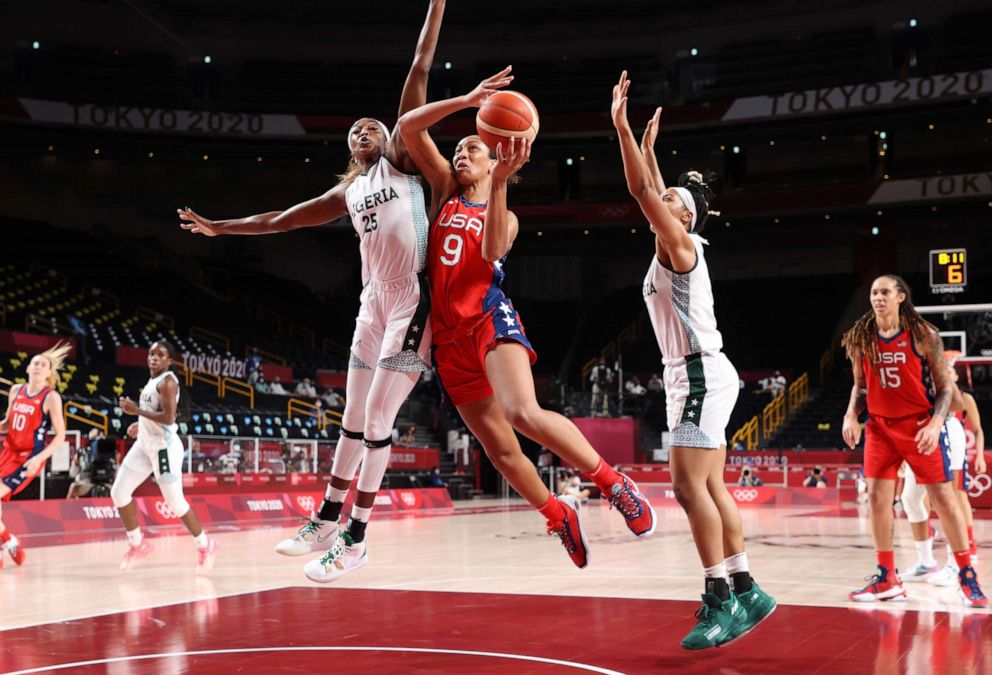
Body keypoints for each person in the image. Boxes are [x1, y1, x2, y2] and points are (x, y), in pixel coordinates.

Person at [180, 1, 447, 582]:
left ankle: (356, 536)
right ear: (349, 149)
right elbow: (280, 219)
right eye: (357, 130)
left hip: (411, 300)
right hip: (371, 302)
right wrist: (221, 226)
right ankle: (327, 517)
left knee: (378, 417)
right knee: (352, 414)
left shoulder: (401, 164)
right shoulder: (347, 195)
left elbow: (418, 70)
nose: (366, 130)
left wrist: (436, 7)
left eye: (373, 125)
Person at [397, 66, 656, 569]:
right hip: (447, 342)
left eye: (474, 147)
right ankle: (558, 513)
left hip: (490, 320)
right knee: (499, 450)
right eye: (461, 146)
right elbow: (409, 127)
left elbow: (493, 246)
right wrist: (468, 100)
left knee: (522, 413)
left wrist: (499, 184)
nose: (462, 151)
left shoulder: (506, 213)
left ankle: (612, 483)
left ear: (497, 160)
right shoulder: (444, 190)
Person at [611, 72, 775, 650]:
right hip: (698, 371)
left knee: (686, 488)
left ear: (684, 219)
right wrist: (653, 151)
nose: (664, 200)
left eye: (673, 202)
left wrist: (622, 130)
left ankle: (719, 599)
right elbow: (657, 191)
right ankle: (748, 587)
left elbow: (642, 193)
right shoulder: (678, 240)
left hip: (699, 372)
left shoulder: (679, 244)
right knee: (712, 488)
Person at [841, 274, 986, 607]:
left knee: (943, 498)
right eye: (874, 292)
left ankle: (966, 575)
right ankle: (886, 576)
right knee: (879, 498)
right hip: (879, 427)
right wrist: (851, 415)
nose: (878, 297)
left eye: (885, 292)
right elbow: (860, 387)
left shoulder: (923, 335)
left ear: (901, 297)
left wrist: (936, 424)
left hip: (919, 426)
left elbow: (945, 388)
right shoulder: (862, 338)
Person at [110, 340, 218, 573]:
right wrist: (140, 424)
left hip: (164, 449)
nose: (154, 358)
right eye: (151, 354)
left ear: (169, 361)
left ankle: (206, 545)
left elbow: (169, 418)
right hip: (144, 445)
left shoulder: (168, 381)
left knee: (175, 503)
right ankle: (137, 545)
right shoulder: (152, 381)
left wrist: (136, 411)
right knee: (118, 493)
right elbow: (156, 414)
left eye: (161, 355)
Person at [0, 342, 69, 568]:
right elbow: (8, 425)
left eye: (43, 364)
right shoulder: (15, 390)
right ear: (28, 368)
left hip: (28, 457)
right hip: (8, 451)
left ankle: (8, 542)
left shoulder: (51, 397)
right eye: (35, 363)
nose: (38, 366)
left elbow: (60, 435)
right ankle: (9, 542)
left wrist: (39, 459)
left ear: (49, 373)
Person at [924, 358, 984, 587]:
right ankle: (936, 545)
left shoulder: (965, 399)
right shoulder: (934, 397)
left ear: (956, 376)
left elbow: (978, 431)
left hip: (957, 449)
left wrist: (978, 455)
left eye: (950, 370)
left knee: (958, 497)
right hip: (939, 447)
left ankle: (967, 547)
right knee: (935, 500)